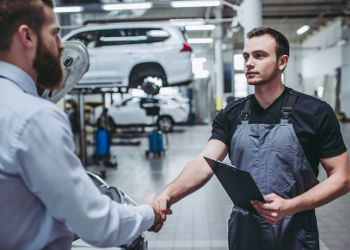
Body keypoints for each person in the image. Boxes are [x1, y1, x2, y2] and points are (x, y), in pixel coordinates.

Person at [154, 27, 350, 249]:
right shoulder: (232, 113)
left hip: (294, 232)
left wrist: (291, 206)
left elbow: (342, 178)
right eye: (246, 56)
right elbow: (203, 163)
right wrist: (168, 194)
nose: (249, 63)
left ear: (282, 61)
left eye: (259, 55)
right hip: (244, 234)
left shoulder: (314, 112)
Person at [0, 0, 162, 249]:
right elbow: (99, 225)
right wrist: (148, 213)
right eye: (54, 33)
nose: (62, 46)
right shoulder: (34, 118)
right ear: (27, 36)